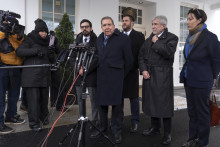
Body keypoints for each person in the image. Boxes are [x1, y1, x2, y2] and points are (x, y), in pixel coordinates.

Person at [180, 8, 220, 147]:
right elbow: (188, 58)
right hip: (189, 78)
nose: (187, 21)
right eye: (187, 18)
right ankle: (193, 138)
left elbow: (217, 59)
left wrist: (214, 77)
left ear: (200, 20)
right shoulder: (190, 36)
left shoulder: (210, 37)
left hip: (203, 80)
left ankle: (203, 143)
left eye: (191, 18)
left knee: (202, 112)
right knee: (192, 112)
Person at [90, 16, 133, 144]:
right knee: (101, 106)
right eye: (104, 25)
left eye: (109, 24)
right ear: (101, 27)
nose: (107, 27)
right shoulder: (98, 39)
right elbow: (97, 58)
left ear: (114, 26)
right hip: (102, 78)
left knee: (117, 107)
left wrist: (120, 75)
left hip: (116, 79)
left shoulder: (123, 39)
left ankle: (116, 131)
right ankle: (102, 128)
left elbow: (129, 60)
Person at [138, 15, 178, 145]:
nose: (153, 26)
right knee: (151, 102)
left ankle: (167, 134)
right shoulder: (148, 39)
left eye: (156, 24)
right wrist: (143, 70)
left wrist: (157, 42)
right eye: (152, 24)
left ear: (163, 26)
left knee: (164, 105)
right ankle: (155, 128)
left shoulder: (172, 38)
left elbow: (168, 53)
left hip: (163, 74)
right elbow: (141, 56)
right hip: (149, 74)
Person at [16, 19, 56, 132]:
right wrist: (35, 51)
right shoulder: (29, 39)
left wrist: (52, 54)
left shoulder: (49, 41)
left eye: (45, 31)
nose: (44, 33)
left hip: (44, 75)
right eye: (41, 31)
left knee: (44, 99)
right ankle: (33, 123)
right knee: (33, 101)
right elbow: (19, 51)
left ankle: (43, 117)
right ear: (37, 31)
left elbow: (51, 59)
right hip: (31, 77)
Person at [121, 7, 145, 133]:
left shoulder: (139, 36)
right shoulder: (118, 36)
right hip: (119, 73)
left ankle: (135, 121)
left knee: (134, 99)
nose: (124, 23)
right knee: (118, 99)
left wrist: (141, 69)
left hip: (132, 72)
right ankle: (118, 121)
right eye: (123, 20)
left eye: (126, 20)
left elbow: (141, 54)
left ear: (132, 23)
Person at [0, 17, 26, 134]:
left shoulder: (12, 32)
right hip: (3, 67)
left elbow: (20, 44)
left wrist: (18, 33)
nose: (8, 24)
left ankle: (10, 116)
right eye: (6, 22)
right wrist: (3, 31)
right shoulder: (2, 31)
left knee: (14, 94)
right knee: (0, 97)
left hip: (16, 67)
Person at [73, 19, 99, 129]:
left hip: (91, 74)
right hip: (79, 75)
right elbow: (72, 57)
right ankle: (82, 118)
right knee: (80, 98)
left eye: (87, 26)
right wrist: (78, 68)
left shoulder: (97, 40)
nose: (84, 28)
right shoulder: (77, 40)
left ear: (91, 28)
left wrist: (86, 69)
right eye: (82, 26)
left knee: (93, 99)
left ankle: (95, 121)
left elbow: (97, 58)